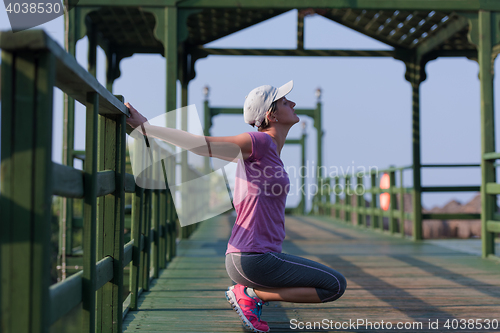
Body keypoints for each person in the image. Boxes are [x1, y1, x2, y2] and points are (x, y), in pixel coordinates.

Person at [125, 80, 346, 333]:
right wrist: (147, 128)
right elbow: (202, 146)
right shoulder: (258, 142)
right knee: (335, 285)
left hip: (256, 256)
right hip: (252, 257)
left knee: (333, 284)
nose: (293, 103)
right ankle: (252, 295)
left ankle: (251, 293)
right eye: (286, 102)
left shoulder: (270, 151)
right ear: (271, 114)